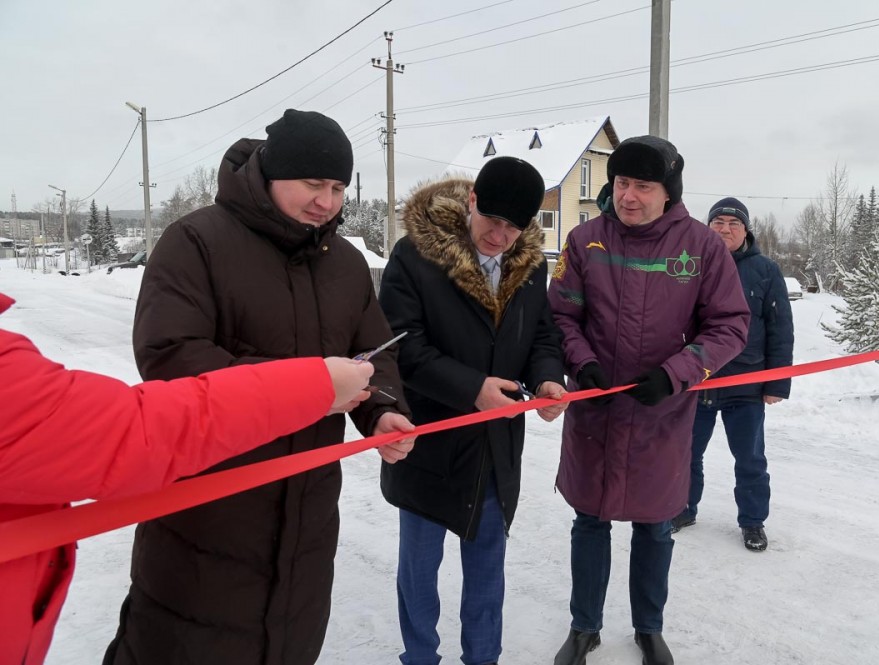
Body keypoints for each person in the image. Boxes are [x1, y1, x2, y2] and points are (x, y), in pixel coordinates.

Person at [103, 109, 416, 665]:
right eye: (313, 183)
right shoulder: (196, 241)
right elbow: (171, 356)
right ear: (271, 173)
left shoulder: (345, 264)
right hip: (208, 515)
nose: (326, 201)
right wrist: (309, 388)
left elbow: (375, 352)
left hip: (308, 520)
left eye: (338, 187)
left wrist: (382, 412)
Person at [0, 291, 376, 665]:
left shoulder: (344, 267)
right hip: (200, 553)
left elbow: (373, 339)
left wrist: (378, 408)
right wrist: (316, 384)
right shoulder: (193, 251)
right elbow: (143, 428)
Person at [547, 136, 750, 665]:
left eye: (643, 185)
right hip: (595, 412)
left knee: (655, 525)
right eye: (621, 183)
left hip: (662, 413)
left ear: (668, 192)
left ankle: (649, 628)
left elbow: (730, 325)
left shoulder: (701, 247)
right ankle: (584, 626)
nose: (628, 196)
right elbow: (562, 315)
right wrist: (581, 363)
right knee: (589, 521)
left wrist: (676, 373)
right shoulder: (585, 240)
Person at [378, 156, 569, 665]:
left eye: (514, 227)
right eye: (492, 220)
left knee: (487, 566)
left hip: (494, 447)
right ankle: (420, 656)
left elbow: (542, 335)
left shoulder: (530, 266)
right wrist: (472, 389)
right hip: (428, 442)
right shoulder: (416, 256)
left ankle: (483, 658)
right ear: (472, 201)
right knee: (420, 569)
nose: (500, 236)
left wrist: (548, 377)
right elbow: (401, 346)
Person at [671, 197, 794, 552]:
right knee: (685, 453)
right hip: (698, 382)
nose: (725, 229)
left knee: (750, 459)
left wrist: (776, 383)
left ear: (745, 230)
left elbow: (780, 329)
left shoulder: (765, 270)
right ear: (708, 227)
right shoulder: (689, 265)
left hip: (746, 386)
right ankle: (682, 509)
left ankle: (753, 522)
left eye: (733, 224)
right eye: (718, 223)